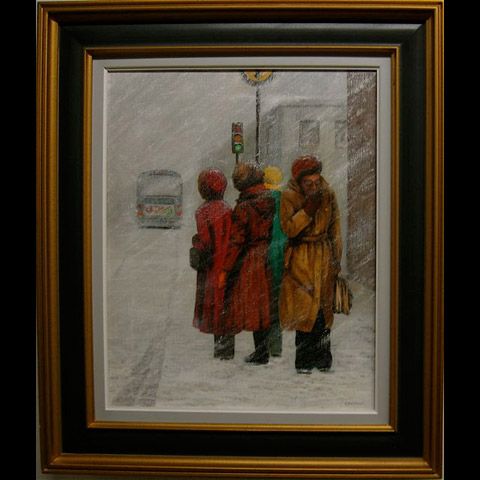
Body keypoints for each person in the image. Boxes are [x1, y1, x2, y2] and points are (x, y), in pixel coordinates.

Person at [278, 155, 342, 374]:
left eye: (316, 181)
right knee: (304, 312)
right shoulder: (288, 196)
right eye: (308, 183)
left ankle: (323, 360)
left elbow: (335, 228)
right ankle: (304, 361)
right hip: (301, 259)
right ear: (299, 182)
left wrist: (336, 259)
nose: (314, 186)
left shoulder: (328, 194)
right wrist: (306, 212)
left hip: (323, 257)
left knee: (323, 311)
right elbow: (288, 229)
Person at [219, 162, 275, 365]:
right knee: (263, 305)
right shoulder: (268, 200)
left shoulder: (244, 206)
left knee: (247, 304)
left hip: (249, 259)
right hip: (264, 254)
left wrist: (225, 268)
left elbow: (236, 241)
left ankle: (255, 353)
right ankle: (263, 351)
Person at [192, 168, 235, 360]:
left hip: (211, 267)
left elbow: (205, 241)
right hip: (227, 263)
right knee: (226, 305)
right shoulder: (227, 209)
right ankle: (227, 348)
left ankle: (220, 349)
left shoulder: (202, 212)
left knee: (215, 306)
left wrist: (196, 242)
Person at [263, 166, 287, 357]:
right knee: (277, 303)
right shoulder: (285, 201)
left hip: (264, 255)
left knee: (264, 303)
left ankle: (264, 346)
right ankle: (276, 346)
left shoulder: (261, 200)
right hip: (282, 254)